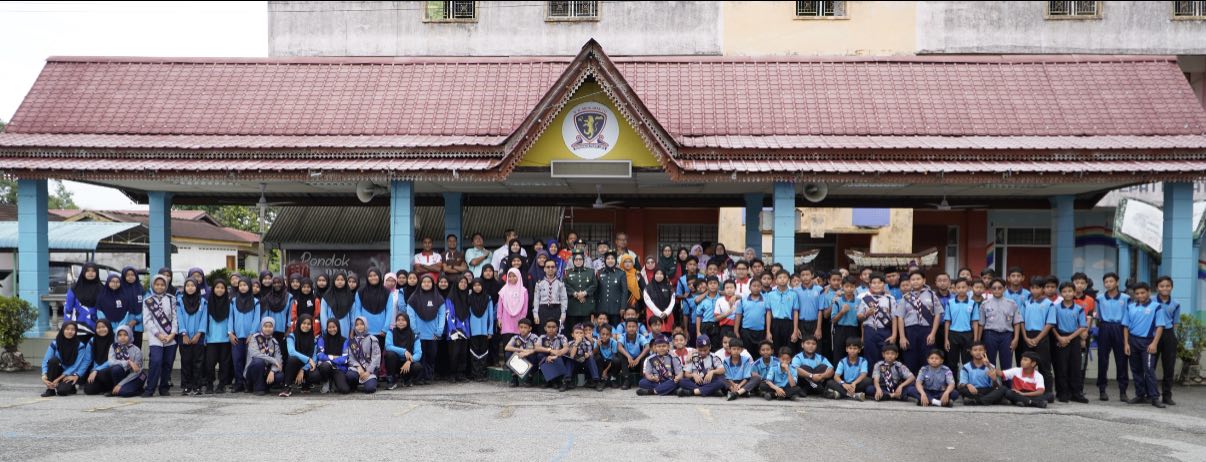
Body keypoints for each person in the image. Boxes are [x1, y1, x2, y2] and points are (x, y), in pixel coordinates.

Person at [1122, 282, 1166, 408]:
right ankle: (1140, 395)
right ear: (1134, 295)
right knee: (1136, 370)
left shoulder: (1156, 307)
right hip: (1132, 341)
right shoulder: (1130, 306)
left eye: (1143, 292)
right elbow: (1125, 326)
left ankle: (1154, 397)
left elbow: (1160, 326)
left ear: (1148, 292)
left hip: (1147, 342)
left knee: (1149, 370)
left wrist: (1154, 343)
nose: (1140, 295)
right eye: (1137, 293)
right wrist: (1126, 343)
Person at [896, 270, 944, 373]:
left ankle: (926, 382)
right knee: (910, 357)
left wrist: (933, 333)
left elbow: (937, 315)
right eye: (913, 279)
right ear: (910, 282)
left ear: (924, 280)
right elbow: (900, 317)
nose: (915, 281)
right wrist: (902, 337)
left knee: (927, 356)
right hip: (910, 331)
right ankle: (911, 384)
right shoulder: (906, 297)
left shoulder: (932, 295)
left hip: (927, 330)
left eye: (918, 279)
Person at [1094, 272, 1130, 402]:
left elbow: (1128, 315)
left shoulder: (1126, 298)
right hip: (1104, 327)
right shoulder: (1099, 298)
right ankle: (1102, 389)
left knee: (1121, 360)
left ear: (1117, 282)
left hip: (1120, 328)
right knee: (1102, 360)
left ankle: (1123, 391)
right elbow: (1097, 316)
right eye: (1106, 282)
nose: (1108, 284)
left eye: (1111, 281)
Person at [1019, 276, 1056, 403]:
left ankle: (1047, 393)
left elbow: (1050, 323)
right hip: (1027, 335)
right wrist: (1025, 337)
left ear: (1043, 289)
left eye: (1038, 288)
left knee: (1044, 366)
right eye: (1033, 288)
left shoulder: (1049, 304)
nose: (1035, 290)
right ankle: (1026, 390)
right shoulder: (1026, 302)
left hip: (1042, 335)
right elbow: (1021, 321)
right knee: (1026, 366)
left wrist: (1038, 338)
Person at [1052, 282, 1089, 403]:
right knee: (1061, 367)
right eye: (1064, 291)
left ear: (1074, 293)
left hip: (1074, 338)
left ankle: (1076, 393)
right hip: (1060, 337)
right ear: (1060, 293)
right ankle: (1062, 392)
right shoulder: (1055, 308)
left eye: (1070, 291)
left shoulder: (1079, 309)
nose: (1067, 293)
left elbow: (1083, 326)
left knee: (1075, 366)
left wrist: (1069, 338)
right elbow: (1051, 325)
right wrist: (1060, 338)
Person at [142, 274, 177, 398]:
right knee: (156, 361)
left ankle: (164, 388)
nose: (160, 287)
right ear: (153, 285)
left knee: (168, 362)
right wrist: (158, 334)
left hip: (170, 337)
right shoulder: (148, 301)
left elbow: (174, 317)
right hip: (155, 337)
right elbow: (147, 320)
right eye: (157, 284)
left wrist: (173, 333)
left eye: (162, 284)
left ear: (166, 286)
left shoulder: (171, 299)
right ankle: (150, 388)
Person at [406, 274, 446, 384]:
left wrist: (439, 331)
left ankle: (429, 377)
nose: (426, 284)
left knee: (431, 355)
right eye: (424, 282)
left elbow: (442, 316)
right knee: (420, 356)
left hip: (433, 334)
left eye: (429, 282)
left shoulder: (439, 298)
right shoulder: (413, 298)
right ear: (420, 283)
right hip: (418, 334)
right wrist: (414, 330)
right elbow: (410, 316)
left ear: (433, 284)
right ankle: (419, 378)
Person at [978, 278, 1021, 371]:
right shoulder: (985, 304)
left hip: (1006, 335)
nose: (997, 290)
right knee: (989, 362)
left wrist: (1016, 338)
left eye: (999, 288)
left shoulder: (1012, 303)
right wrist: (978, 340)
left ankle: (1006, 385)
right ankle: (990, 384)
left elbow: (1017, 322)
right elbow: (981, 323)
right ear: (990, 289)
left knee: (1006, 363)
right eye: (994, 288)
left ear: (1004, 288)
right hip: (990, 334)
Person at [176, 279, 208, 396]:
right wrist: (183, 333)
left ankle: (197, 386)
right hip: (184, 338)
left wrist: (199, 334)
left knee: (198, 363)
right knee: (185, 362)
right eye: (187, 285)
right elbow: (179, 318)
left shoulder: (203, 302)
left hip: (198, 337)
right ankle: (186, 386)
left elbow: (204, 319)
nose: (190, 288)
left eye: (192, 285)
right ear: (184, 288)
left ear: (197, 287)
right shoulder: (179, 301)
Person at [356, 269, 397, 359]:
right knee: (365, 356)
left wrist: (385, 328)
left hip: (380, 331)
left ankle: (376, 373)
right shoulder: (360, 292)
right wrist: (360, 327)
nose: (373, 277)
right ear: (367, 277)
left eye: (375, 275)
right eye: (370, 276)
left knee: (378, 357)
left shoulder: (386, 292)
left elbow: (389, 311)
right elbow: (357, 310)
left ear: (379, 276)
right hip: (365, 331)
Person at [40, 321, 89, 397]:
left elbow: (75, 366)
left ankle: (71, 387)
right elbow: (46, 360)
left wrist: (59, 379)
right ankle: (50, 390)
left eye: (73, 329)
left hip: (70, 373)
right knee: (53, 361)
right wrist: (44, 374)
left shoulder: (80, 346)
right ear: (62, 330)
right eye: (67, 329)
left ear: (76, 331)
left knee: (62, 391)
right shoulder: (55, 343)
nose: (70, 331)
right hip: (57, 371)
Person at [857, 273, 896, 366]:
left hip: (885, 330)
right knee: (870, 355)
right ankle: (872, 378)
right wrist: (867, 314)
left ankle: (886, 378)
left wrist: (894, 335)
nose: (876, 285)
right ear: (869, 284)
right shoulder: (864, 299)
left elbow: (894, 318)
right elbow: (859, 317)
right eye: (874, 283)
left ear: (884, 284)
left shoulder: (890, 299)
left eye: (879, 283)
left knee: (886, 355)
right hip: (869, 330)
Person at [1153, 276, 1181, 406]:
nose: (1165, 288)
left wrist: (1172, 337)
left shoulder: (1176, 304)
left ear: (1171, 287)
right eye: (1162, 286)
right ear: (1157, 288)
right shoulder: (1151, 301)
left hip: (1169, 335)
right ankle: (1151, 394)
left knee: (1169, 367)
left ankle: (1167, 395)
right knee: (1150, 366)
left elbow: (1175, 323)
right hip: (1153, 335)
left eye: (1167, 286)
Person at [228, 278, 260, 393]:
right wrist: (230, 332)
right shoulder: (233, 300)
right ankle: (238, 383)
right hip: (236, 336)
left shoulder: (256, 301)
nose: (242, 287)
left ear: (249, 287)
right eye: (240, 285)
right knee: (237, 360)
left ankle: (248, 383)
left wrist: (252, 333)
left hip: (250, 337)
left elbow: (257, 319)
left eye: (245, 285)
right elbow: (230, 317)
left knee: (249, 361)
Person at [943, 278, 979, 377]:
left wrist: (975, 339)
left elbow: (975, 322)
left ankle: (966, 383)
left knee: (967, 362)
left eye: (963, 287)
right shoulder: (950, 303)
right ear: (954, 289)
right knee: (952, 362)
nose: (961, 289)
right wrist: (946, 339)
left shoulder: (973, 303)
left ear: (968, 288)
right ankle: (953, 384)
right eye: (958, 287)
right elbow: (947, 322)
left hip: (968, 335)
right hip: (953, 334)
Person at [203, 280, 232, 394]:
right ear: (213, 289)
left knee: (224, 364)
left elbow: (231, 320)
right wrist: (205, 336)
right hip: (211, 339)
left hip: (225, 338)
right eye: (217, 287)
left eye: (222, 288)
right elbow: (205, 321)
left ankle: (222, 384)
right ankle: (209, 384)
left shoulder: (229, 303)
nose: (219, 290)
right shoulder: (208, 303)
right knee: (209, 363)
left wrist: (230, 333)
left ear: (225, 290)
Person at [281, 314, 320, 397]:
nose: (306, 326)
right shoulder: (291, 336)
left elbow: (314, 357)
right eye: (304, 323)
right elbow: (291, 352)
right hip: (293, 366)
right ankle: (287, 387)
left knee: (315, 375)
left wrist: (303, 369)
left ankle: (306, 384)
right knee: (292, 359)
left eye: (308, 324)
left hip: (306, 367)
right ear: (299, 324)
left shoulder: (313, 339)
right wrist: (308, 359)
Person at [497, 268, 529, 363]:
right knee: (507, 344)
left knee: (518, 344)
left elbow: (525, 307)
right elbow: (500, 306)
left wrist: (522, 320)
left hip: (519, 321)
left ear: (518, 277)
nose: (511, 278)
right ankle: (508, 365)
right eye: (509, 276)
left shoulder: (523, 291)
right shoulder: (503, 290)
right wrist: (499, 318)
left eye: (514, 276)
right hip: (506, 320)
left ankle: (518, 365)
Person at [102, 325, 145, 397]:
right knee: (116, 369)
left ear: (130, 335)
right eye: (120, 335)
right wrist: (128, 362)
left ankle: (139, 390)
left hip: (137, 376)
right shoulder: (114, 347)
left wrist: (120, 384)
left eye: (125, 335)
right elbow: (111, 362)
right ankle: (116, 389)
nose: (122, 337)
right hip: (124, 374)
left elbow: (137, 371)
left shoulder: (136, 350)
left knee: (124, 393)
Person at [245, 317, 284, 396]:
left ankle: (265, 386)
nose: (268, 329)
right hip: (252, 372)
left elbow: (279, 359)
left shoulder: (274, 342)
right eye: (265, 326)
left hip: (266, 371)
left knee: (280, 376)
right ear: (261, 327)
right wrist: (272, 360)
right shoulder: (254, 338)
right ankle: (257, 388)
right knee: (259, 361)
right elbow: (255, 354)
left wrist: (273, 371)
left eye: (270, 326)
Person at [384, 312, 423, 389]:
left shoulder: (414, 335)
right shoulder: (391, 332)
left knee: (417, 366)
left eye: (403, 320)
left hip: (407, 363)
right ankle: (392, 381)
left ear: (407, 321)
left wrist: (409, 361)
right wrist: (404, 351)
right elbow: (388, 346)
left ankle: (407, 379)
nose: (400, 322)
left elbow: (418, 353)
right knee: (390, 354)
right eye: (398, 320)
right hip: (395, 362)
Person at [344, 316, 382, 394]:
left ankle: (369, 382)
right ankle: (355, 385)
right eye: (357, 325)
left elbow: (376, 357)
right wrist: (358, 367)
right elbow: (350, 357)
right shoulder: (352, 341)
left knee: (370, 389)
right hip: (357, 369)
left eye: (362, 324)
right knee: (350, 376)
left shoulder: (372, 339)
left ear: (366, 325)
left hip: (370, 368)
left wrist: (368, 371)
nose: (359, 326)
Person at [466, 278, 495, 381]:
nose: (477, 287)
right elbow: (467, 316)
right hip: (473, 331)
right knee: (473, 352)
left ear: (482, 286)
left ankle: (482, 374)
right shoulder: (469, 298)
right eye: (475, 285)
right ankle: (475, 374)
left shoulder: (488, 298)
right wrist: (467, 330)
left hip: (484, 331)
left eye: (479, 285)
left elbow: (491, 316)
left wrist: (490, 331)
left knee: (484, 352)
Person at [445, 276, 472, 382]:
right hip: (454, 330)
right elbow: (448, 314)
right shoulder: (450, 297)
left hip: (465, 330)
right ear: (456, 283)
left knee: (463, 353)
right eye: (461, 282)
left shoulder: (467, 297)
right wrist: (453, 331)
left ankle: (461, 374)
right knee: (454, 353)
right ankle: (452, 374)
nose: (463, 284)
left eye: (465, 282)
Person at [829, 276, 861, 364]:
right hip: (840, 329)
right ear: (842, 286)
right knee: (838, 353)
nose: (849, 289)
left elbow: (861, 319)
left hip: (854, 330)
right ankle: (838, 375)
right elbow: (833, 320)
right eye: (847, 286)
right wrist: (842, 312)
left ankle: (853, 374)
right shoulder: (837, 301)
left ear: (855, 287)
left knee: (853, 353)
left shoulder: (859, 301)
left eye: (852, 286)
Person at [735, 279, 770, 358]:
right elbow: (738, 315)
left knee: (759, 353)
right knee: (747, 353)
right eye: (754, 286)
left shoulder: (766, 299)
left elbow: (768, 315)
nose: (756, 288)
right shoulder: (743, 300)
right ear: (750, 287)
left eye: (758, 286)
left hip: (761, 331)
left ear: (761, 287)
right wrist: (736, 331)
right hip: (746, 331)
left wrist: (768, 332)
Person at [534, 319, 571, 392]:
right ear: (545, 328)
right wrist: (550, 350)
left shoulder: (562, 337)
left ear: (557, 328)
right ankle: (550, 380)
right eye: (549, 327)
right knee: (540, 355)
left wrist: (556, 355)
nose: (551, 329)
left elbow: (566, 348)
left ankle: (554, 380)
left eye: (553, 327)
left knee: (563, 357)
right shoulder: (542, 337)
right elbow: (536, 347)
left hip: (557, 359)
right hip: (547, 358)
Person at [564, 251, 597, 331]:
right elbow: (565, 285)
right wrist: (575, 294)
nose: (578, 261)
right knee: (573, 329)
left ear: (584, 260)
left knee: (586, 329)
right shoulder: (567, 272)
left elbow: (594, 285)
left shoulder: (591, 271)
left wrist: (584, 293)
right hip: (573, 307)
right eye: (576, 260)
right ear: (573, 261)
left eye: (580, 259)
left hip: (586, 306)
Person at [533, 259, 568, 332]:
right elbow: (536, 300)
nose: (550, 269)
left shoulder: (560, 283)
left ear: (555, 269)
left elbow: (564, 299)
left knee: (557, 332)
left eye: (552, 267)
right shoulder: (539, 284)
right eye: (548, 267)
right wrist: (535, 314)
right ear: (544, 269)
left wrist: (563, 313)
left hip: (556, 309)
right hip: (543, 310)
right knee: (542, 332)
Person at [260, 277, 291, 356]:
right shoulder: (268, 297)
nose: (277, 285)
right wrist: (264, 329)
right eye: (274, 283)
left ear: (283, 283)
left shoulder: (289, 297)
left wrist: (289, 328)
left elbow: (290, 313)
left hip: (284, 330)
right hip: (270, 330)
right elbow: (265, 314)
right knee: (270, 352)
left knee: (283, 353)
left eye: (279, 282)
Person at [82, 319, 114, 396]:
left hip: (111, 370)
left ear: (108, 327)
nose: (101, 329)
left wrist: (96, 370)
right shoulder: (93, 340)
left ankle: (112, 388)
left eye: (103, 327)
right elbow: (87, 359)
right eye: (98, 327)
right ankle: (104, 387)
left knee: (102, 373)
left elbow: (113, 360)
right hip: (96, 371)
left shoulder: (114, 340)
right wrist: (77, 374)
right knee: (88, 390)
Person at [504, 318, 540, 387]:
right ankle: (514, 379)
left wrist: (527, 353)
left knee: (536, 355)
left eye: (525, 327)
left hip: (529, 359)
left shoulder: (534, 337)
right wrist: (520, 350)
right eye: (521, 327)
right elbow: (507, 347)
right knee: (508, 354)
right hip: (520, 358)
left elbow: (537, 348)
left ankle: (530, 378)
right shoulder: (515, 337)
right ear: (518, 328)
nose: (523, 329)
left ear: (530, 328)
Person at [321, 272, 356, 339]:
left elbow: (352, 316)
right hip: (330, 330)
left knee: (344, 348)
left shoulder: (350, 297)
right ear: (333, 281)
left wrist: (352, 331)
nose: (340, 282)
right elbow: (323, 315)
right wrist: (326, 329)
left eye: (342, 280)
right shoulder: (326, 297)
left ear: (345, 281)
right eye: (337, 280)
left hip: (345, 329)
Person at [316, 319, 347, 394]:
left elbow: (344, 359)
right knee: (325, 366)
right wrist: (334, 357)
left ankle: (333, 381)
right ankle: (326, 381)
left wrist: (329, 358)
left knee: (345, 389)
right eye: (329, 327)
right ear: (327, 328)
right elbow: (320, 355)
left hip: (339, 368)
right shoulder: (322, 339)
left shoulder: (345, 340)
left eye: (334, 327)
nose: (332, 329)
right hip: (326, 367)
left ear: (338, 327)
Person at [117, 266, 144, 349]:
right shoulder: (119, 290)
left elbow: (146, 308)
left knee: (137, 348)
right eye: (128, 275)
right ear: (124, 276)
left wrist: (136, 320)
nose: (130, 277)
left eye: (133, 274)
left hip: (138, 325)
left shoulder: (141, 289)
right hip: (124, 324)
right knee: (124, 349)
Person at [643, 268, 677, 335]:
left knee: (667, 335)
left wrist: (666, 313)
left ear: (664, 275)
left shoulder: (669, 287)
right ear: (654, 275)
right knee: (654, 334)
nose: (659, 275)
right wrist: (659, 313)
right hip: (653, 313)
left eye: (661, 274)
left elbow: (672, 301)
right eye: (657, 273)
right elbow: (648, 302)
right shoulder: (648, 288)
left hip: (667, 314)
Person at [694, 276, 722, 342]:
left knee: (716, 346)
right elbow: (698, 316)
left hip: (717, 324)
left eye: (715, 283)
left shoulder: (721, 298)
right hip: (705, 325)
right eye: (710, 283)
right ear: (707, 286)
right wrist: (698, 331)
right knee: (704, 345)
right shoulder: (702, 299)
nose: (712, 285)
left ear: (718, 285)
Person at [594, 323, 619, 388]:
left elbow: (614, 357)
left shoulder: (614, 342)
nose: (605, 336)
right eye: (603, 334)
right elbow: (593, 354)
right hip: (602, 363)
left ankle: (612, 379)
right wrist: (597, 346)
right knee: (597, 357)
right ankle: (601, 380)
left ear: (610, 335)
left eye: (607, 334)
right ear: (599, 334)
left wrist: (606, 371)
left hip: (610, 363)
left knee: (616, 360)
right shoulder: (597, 342)